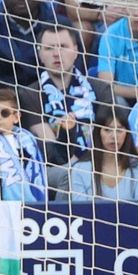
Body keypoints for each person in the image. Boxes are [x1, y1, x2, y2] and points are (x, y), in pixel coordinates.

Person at [23, 24, 111, 182]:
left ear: (76, 50)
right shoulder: (29, 94)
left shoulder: (100, 89)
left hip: (96, 162)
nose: (57, 54)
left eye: (63, 47)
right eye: (49, 48)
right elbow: (51, 149)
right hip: (54, 168)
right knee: (69, 175)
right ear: (40, 54)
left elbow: (105, 138)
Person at [0, 88, 47, 202]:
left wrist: (67, 132)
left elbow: (59, 155)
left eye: (4, 113)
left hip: (31, 202)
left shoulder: (29, 140)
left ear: (16, 117)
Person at [72, 104, 138, 201]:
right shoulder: (80, 169)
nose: (114, 136)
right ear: (98, 132)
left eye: (119, 130)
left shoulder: (137, 168)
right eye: (107, 130)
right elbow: (79, 212)